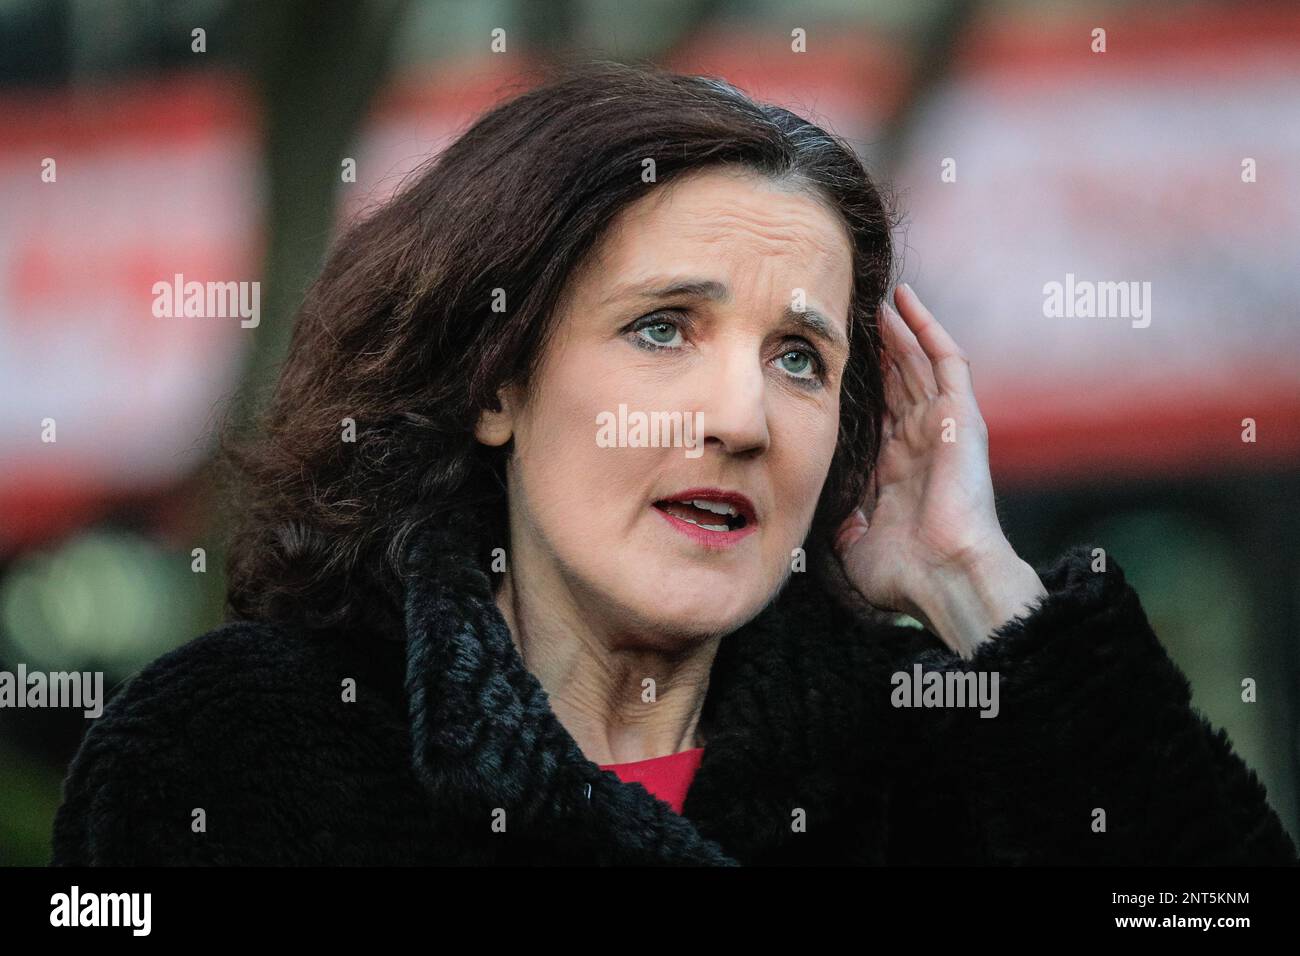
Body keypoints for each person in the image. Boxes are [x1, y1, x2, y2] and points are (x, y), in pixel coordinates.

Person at [50, 61, 1297, 866]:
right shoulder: (236, 753)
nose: (741, 416)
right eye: (662, 329)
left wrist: (977, 583)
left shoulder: (944, 752)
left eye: (801, 357)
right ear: (497, 385)